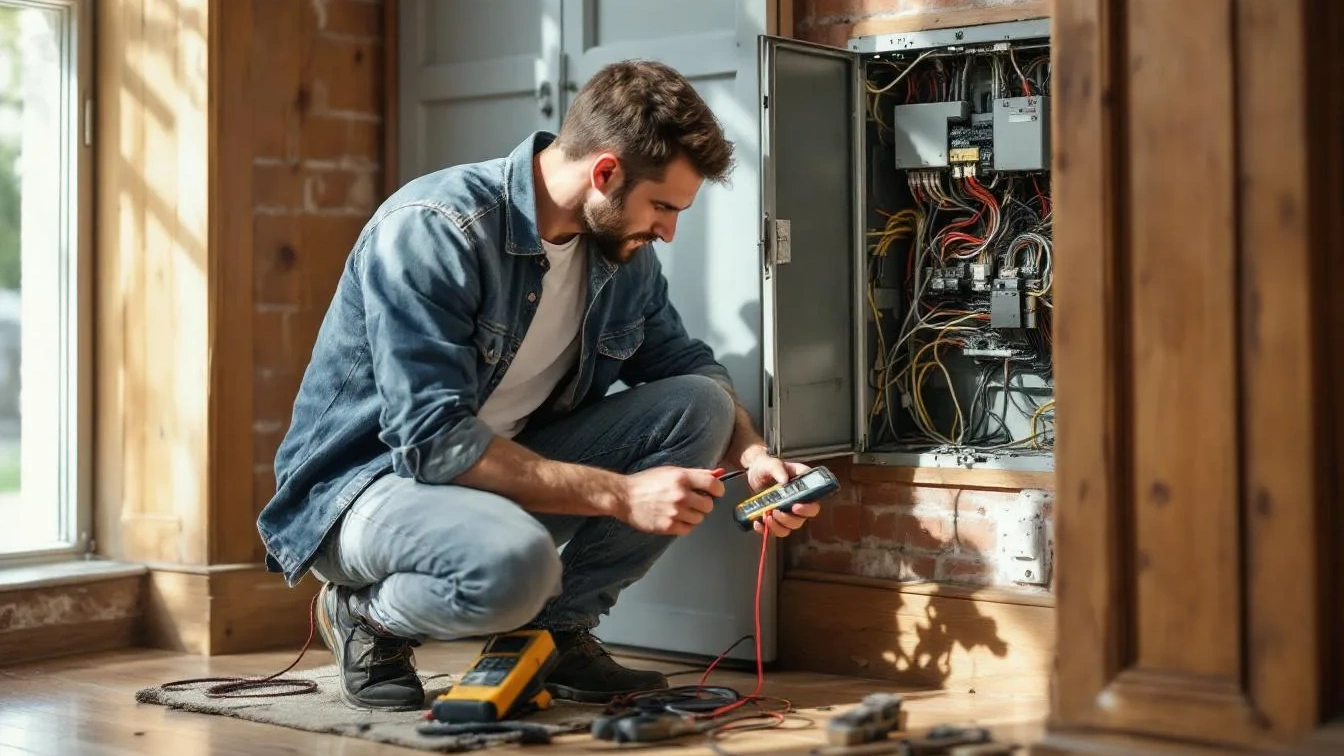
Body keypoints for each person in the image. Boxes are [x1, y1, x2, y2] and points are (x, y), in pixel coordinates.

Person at [255, 59, 821, 712]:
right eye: (663, 206)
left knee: (702, 406)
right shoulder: (434, 228)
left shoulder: (622, 256)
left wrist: (753, 455)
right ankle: (367, 619)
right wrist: (621, 495)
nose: (668, 230)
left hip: (492, 475)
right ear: (605, 173)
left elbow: (687, 366)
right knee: (519, 566)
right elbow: (433, 443)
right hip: (367, 489)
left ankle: (554, 634)